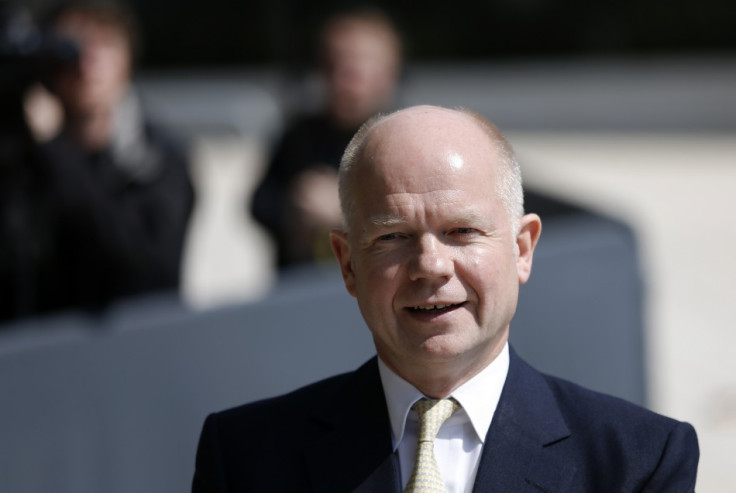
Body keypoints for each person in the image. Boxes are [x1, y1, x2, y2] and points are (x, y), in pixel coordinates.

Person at [193, 105, 698, 492]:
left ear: (522, 249)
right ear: (348, 264)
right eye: (392, 237)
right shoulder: (246, 458)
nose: (430, 265)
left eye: (460, 231)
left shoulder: (637, 463)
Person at [28, 0, 195, 312]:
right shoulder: (24, 156)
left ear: (127, 60)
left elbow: (149, 266)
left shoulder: (157, 157)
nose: (86, 64)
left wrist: (56, 151)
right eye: (70, 49)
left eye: (103, 46)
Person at [251, 6, 401, 269]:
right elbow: (260, 205)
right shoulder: (301, 136)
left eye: (353, 70)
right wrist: (293, 207)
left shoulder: (403, 139)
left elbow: (417, 221)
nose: (341, 81)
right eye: (332, 66)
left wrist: (346, 211)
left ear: (386, 76)